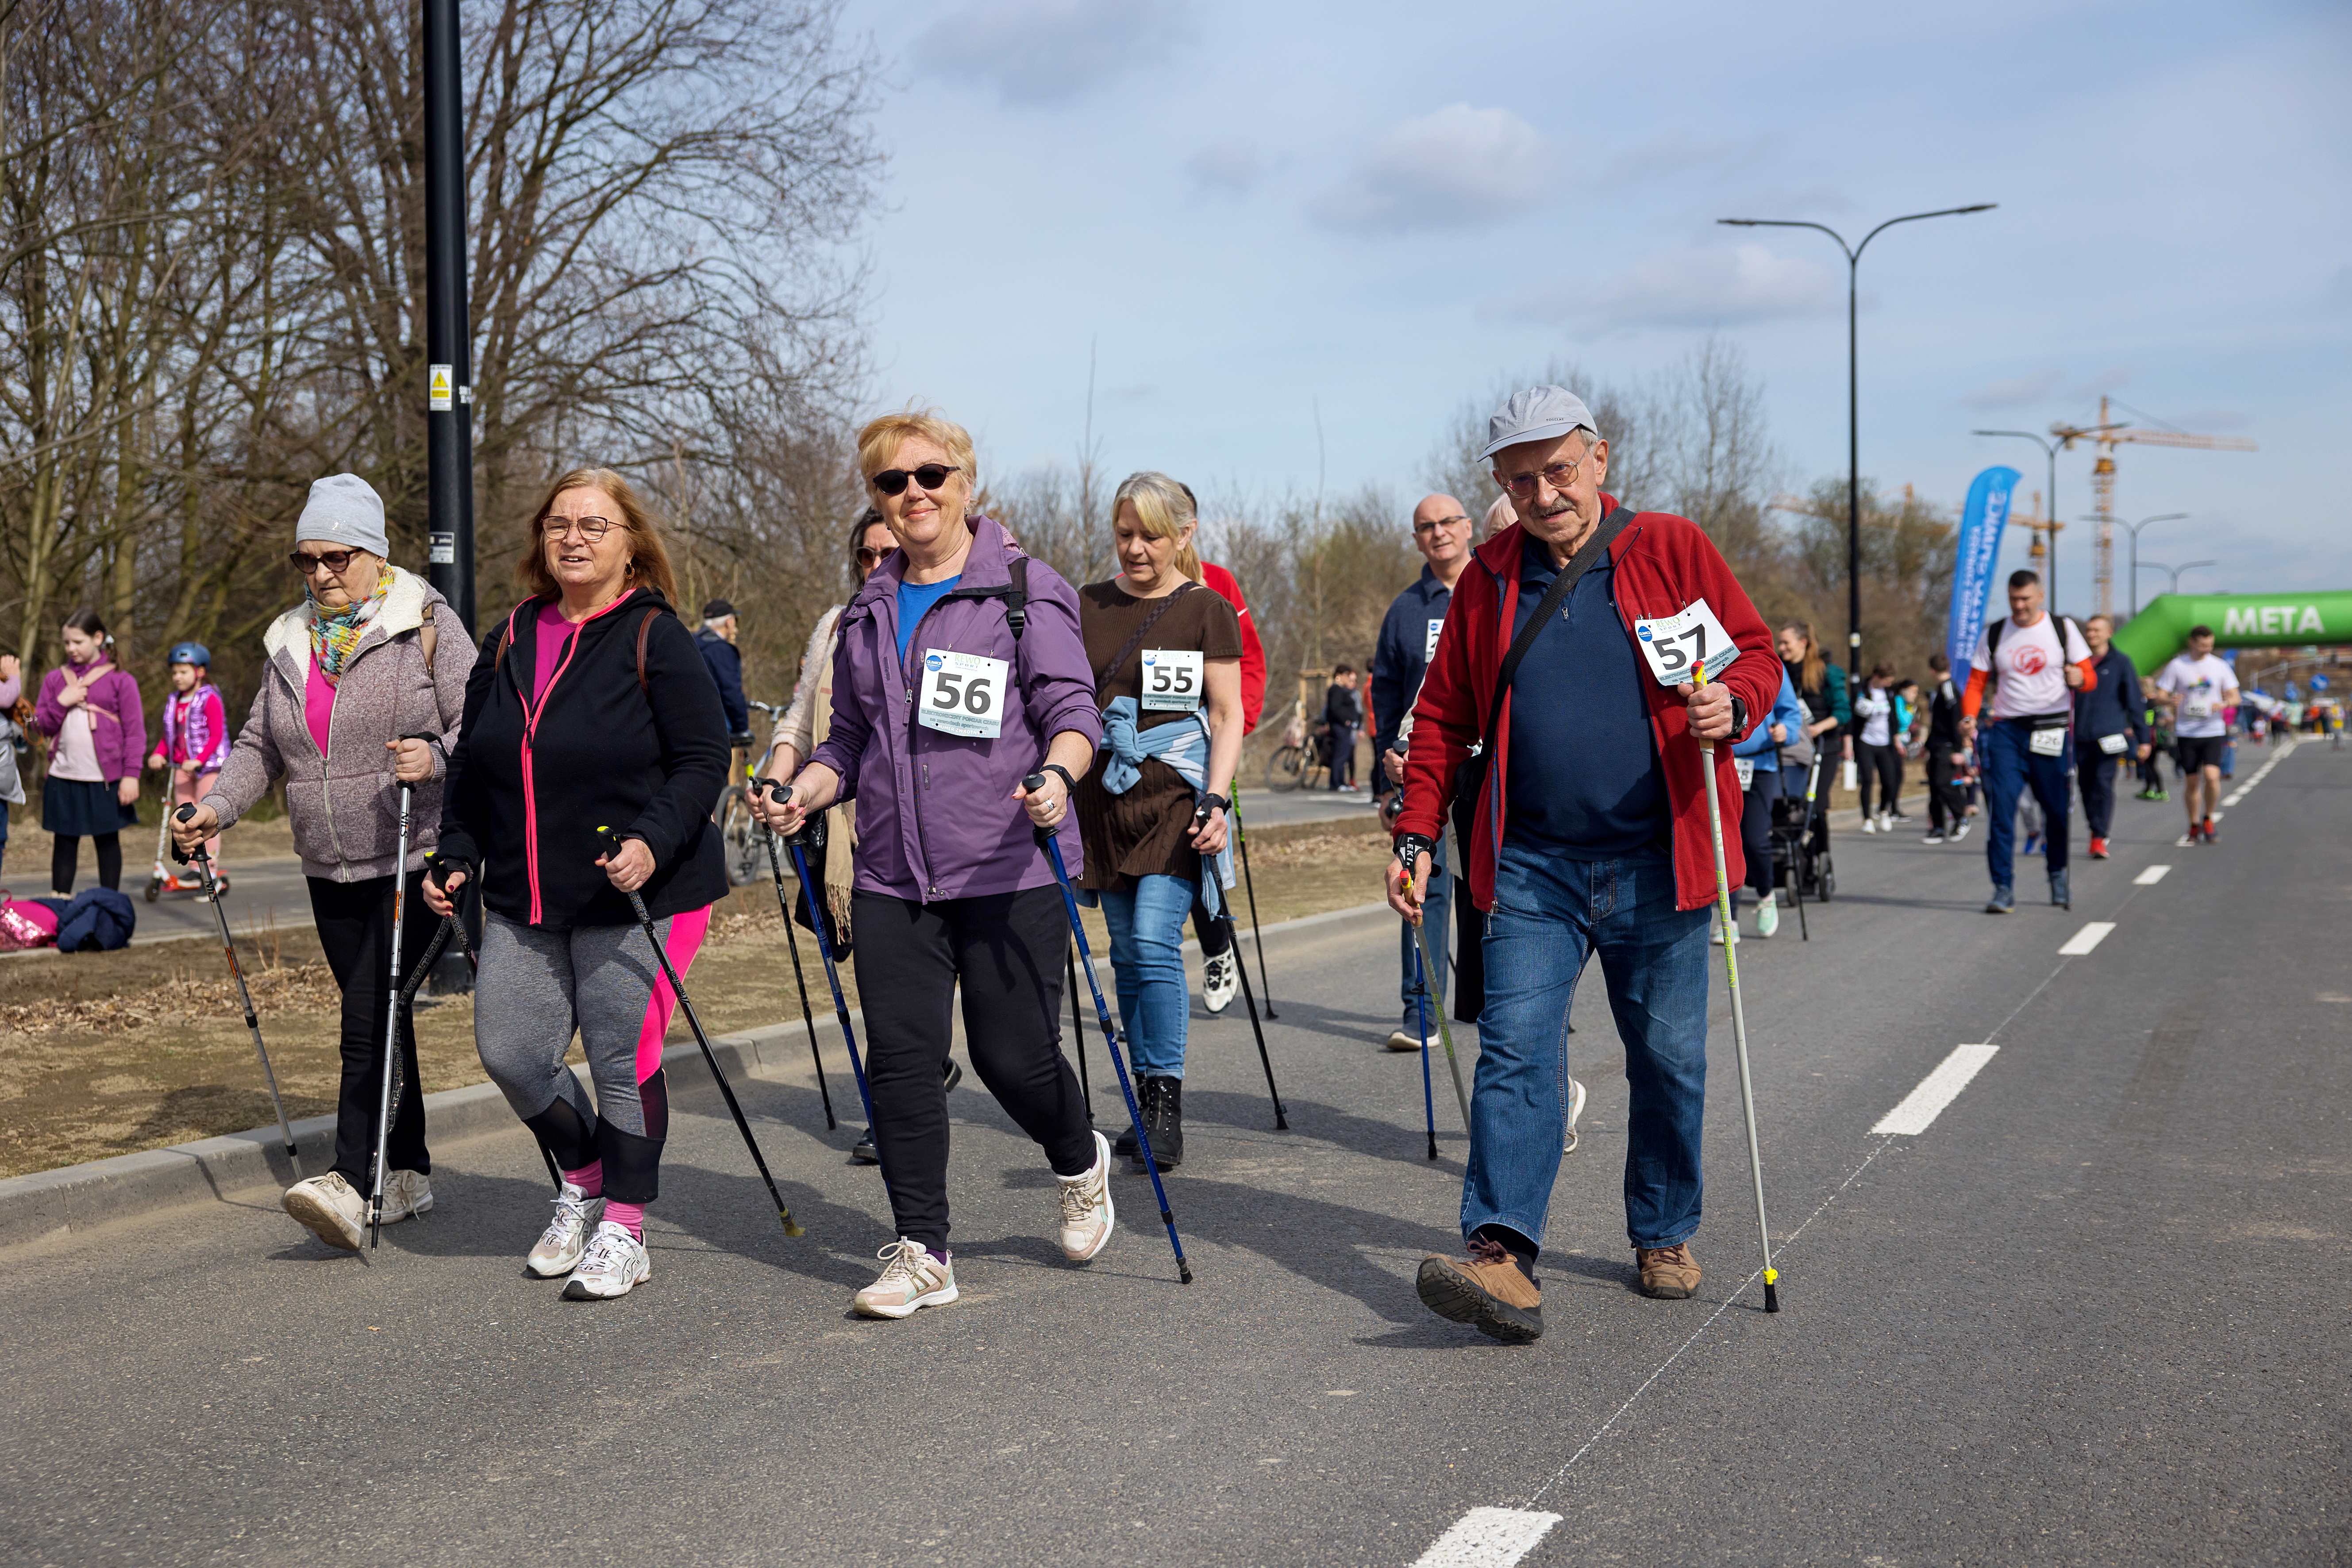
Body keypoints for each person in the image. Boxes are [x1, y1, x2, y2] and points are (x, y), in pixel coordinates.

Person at [1389, 385, 1779, 1342]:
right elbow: (1440, 718)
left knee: (1667, 1060)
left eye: (1557, 470)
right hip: (1531, 864)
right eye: (1519, 480)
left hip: (1658, 856)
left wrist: (1731, 701)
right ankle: (1502, 1254)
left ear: (1597, 460)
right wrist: (1411, 832)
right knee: (1517, 1052)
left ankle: (1661, 1228)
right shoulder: (1485, 578)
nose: (1542, 493)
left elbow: (1756, 657)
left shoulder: (1672, 548)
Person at [755, 409, 1109, 1320]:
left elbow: (1073, 711)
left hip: (1007, 866)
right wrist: (806, 794)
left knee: (1013, 1058)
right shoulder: (867, 609)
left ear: (967, 484)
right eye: (891, 481)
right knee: (901, 1062)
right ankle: (924, 1251)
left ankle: (1078, 1157)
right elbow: (847, 740)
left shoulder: (1023, 589)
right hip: (892, 876)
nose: (912, 492)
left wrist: (1056, 776)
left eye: (930, 475)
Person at [424, 466, 731, 1302]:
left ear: (630, 542)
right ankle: (588, 1172)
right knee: (514, 1053)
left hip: (641, 890)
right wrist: (456, 852)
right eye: (559, 523)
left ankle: (626, 1225)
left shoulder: (655, 635)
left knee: (621, 1057)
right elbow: (475, 766)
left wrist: (651, 838)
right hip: (526, 893)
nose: (573, 538)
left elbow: (706, 758)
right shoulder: (511, 635)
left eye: (594, 525)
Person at [176, 474, 474, 1251]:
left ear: (375, 553)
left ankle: (353, 1177)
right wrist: (216, 807)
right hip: (328, 865)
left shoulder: (426, 623)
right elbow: (258, 747)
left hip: (417, 856)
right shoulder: (289, 641)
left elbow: (484, 727)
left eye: (336, 556)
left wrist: (434, 755)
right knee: (384, 1015)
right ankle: (408, 1171)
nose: (321, 573)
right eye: (306, 559)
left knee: (366, 1016)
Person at [768, 508, 964, 1166]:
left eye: (888, 550)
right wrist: (776, 777)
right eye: (865, 554)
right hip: (844, 819)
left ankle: (898, 1094)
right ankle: (913, 1073)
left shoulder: (947, 611)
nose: (878, 565)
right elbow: (801, 717)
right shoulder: (838, 623)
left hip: (930, 825)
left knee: (905, 976)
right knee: (877, 975)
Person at [1073, 470, 1244, 1172]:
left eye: (1150, 534)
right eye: (1125, 534)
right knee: (1123, 949)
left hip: (1174, 792)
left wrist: (1217, 796)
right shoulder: (1085, 603)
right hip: (1102, 797)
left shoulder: (1206, 609)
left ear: (1183, 534)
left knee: (1150, 940)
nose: (1136, 548)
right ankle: (1144, 1094)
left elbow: (1227, 714)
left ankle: (1166, 1102)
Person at [1371, 493, 1473, 1049]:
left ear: (1467, 527)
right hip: (1424, 773)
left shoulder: (1499, 588)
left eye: (1446, 523)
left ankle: (1518, 1007)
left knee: (1490, 894)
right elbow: (1386, 697)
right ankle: (1420, 1013)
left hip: (1488, 771)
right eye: (1425, 527)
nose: (1437, 534)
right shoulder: (1407, 610)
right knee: (1421, 887)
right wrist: (1386, 764)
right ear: (1416, 539)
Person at [1959, 569, 2094, 913]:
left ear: (2039, 596)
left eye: (2025, 599)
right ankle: (2002, 887)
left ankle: (2057, 874)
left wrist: (2079, 677)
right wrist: (1969, 715)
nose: (2018, 606)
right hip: (2007, 730)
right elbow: (1976, 683)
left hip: (2052, 729)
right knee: (2002, 811)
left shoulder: (2062, 629)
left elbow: (2088, 676)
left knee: (2055, 810)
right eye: (2013, 600)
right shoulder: (1995, 633)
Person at [1188, 533, 1266, 1017]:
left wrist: (1238, 726)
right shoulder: (1122, 591)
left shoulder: (1217, 582)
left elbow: (1250, 659)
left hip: (1205, 742)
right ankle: (1144, 982)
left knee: (1198, 850)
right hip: (1141, 748)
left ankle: (1217, 949)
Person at [34, 609, 143, 896]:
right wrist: (62, 702)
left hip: (104, 779)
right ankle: (60, 903)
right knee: (64, 843)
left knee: (107, 843)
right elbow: (40, 727)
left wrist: (132, 776)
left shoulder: (122, 680)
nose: (71, 648)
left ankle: (109, 905)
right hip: (63, 775)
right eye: (66, 643)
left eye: (77, 642)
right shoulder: (55, 680)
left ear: (98, 638)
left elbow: (135, 733)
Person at [1724, 666, 1803, 941]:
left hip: (1762, 766)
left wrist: (1787, 731)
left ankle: (1766, 896)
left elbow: (1791, 713)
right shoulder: (1710, 652)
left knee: (1755, 840)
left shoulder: (1769, 661)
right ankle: (1729, 919)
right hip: (1722, 762)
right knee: (1726, 840)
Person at [147, 643, 230, 881]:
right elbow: (169, 735)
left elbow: (216, 734)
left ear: (200, 672)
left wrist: (199, 760)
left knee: (207, 815)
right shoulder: (174, 701)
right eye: (174, 672)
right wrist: (158, 754)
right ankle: (196, 867)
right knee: (185, 817)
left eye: (183, 672)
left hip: (208, 767)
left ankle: (211, 868)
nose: (177, 677)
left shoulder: (209, 697)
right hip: (181, 767)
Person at [2151, 624, 2239, 846]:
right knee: (2192, 782)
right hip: (2187, 732)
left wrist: (2225, 703)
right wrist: (2169, 700)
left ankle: (2208, 818)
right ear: (2192, 643)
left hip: (2212, 730)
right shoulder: (2178, 666)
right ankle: (2193, 823)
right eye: (2202, 646)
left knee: (2211, 776)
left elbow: (2235, 697)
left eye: (2210, 645)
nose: (2207, 650)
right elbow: (2159, 695)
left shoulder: (2219, 666)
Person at [2074, 614, 2150, 859]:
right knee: (2086, 786)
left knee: (2103, 782)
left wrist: (2144, 739)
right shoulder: (2078, 662)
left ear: (2109, 633)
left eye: (2097, 630)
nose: (2091, 634)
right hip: (2081, 736)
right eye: (2089, 630)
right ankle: (2094, 828)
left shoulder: (2121, 663)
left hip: (2110, 736)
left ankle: (2099, 835)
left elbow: (2135, 703)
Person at [1921, 652, 1971, 844]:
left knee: (1944, 783)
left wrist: (1958, 749)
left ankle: (1961, 818)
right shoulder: (1940, 689)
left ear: (1932, 671)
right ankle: (1938, 827)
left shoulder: (1949, 689)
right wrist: (1928, 745)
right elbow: (1937, 722)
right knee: (1934, 787)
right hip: (1936, 745)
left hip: (1947, 746)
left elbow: (1956, 719)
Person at [1852, 662, 1903, 832]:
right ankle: (1867, 819)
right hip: (1866, 741)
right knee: (1867, 780)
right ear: (1877, 678)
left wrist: (1896, 739)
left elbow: (1894, 717)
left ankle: (1883, 811)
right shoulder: (1862, 689)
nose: (1889, 684)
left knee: (1890, 781)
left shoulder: (1889, 693)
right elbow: (1854, 717)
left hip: (1885, 744)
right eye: (1887, 681)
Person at [695, 598, 751, 743]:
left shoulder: (689, 643)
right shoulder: (721, 650)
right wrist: (742, 728)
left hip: (687, 723)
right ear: (729, 622)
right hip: (716, 728)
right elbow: (731, 692)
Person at [1323, 663, 1363, 791]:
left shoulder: (1340, 690)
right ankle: (1336, 783)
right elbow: (1335, 708)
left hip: (1343, 727)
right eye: (1346, 676)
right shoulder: (1336, 690)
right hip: (1340, 727)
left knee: (1343, 755)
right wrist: (1345, 720)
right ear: (1339, 676)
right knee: (1340, 755)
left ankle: (1341, 781)